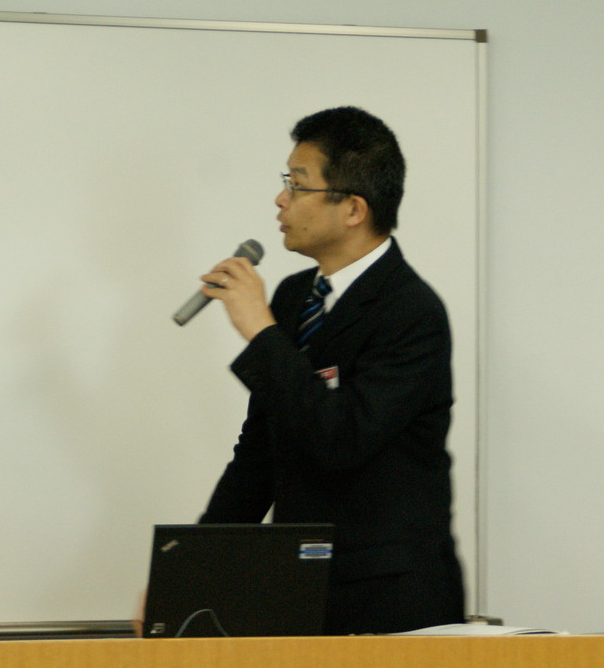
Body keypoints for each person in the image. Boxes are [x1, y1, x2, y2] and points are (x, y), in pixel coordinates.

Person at [196, 106, 465, 635]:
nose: (280, 200)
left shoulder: (412, 312)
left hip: (393, 605)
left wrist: (262, 333)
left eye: (297, 185)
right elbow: (259, 455)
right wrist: (191, 573)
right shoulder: (295, 297)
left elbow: (341, 439)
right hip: (302, 591)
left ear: (353, 209)